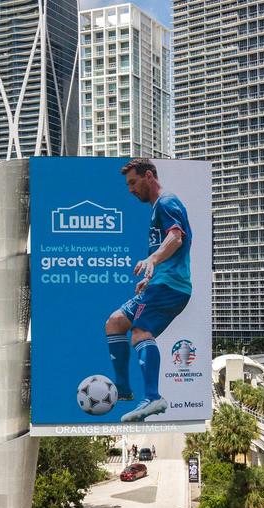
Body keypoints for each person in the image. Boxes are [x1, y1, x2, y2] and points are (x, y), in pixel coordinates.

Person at [104, 158, 193, 422]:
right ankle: (122, 390)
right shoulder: (158, 208)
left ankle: (153, 397)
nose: (131, 190)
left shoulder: (166, 202)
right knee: (115, 322)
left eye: (133, 182)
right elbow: (167, 247)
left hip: (172, 286)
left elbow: (176, 238)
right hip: (159, 283)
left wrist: (152, 260)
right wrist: (150, 276)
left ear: (149, 176)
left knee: (141, 332)